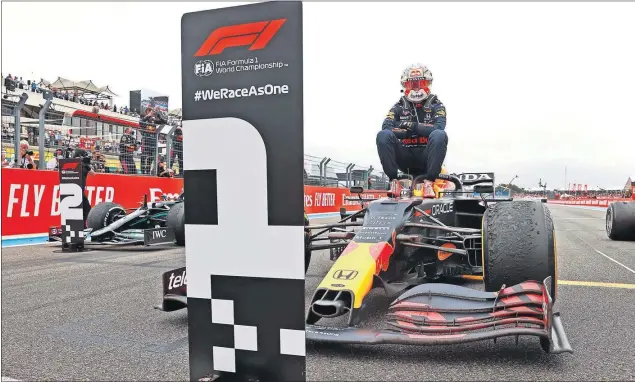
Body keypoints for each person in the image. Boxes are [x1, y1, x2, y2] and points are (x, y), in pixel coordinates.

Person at [376, 63, 448, 198]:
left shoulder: (437, 105)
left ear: (427, 83)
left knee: (439, 135)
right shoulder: (398, 106)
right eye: (413, 84)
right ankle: (394, 181)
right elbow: (386, 128)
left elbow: (438, 128)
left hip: (428, 158)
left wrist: (412, 126)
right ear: (405, 85)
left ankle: (429, 183)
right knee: (383, 135)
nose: (417, 88)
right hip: (405, 157)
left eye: (420, 83)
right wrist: (408, 132)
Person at [72, 147, 95, 227]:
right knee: (85, 208)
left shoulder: (85, 165)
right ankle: (81, 227)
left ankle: (82, 226)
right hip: (74, 188)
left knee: (86, 208)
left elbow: (93, 174)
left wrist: (87, 165)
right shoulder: (73, 163)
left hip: (80, 189)